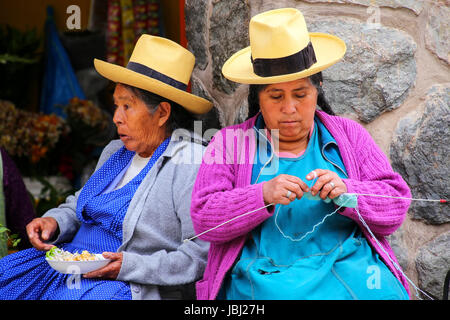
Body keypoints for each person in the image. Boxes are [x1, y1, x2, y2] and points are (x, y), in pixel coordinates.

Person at [190, 8, 411, 300]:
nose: (290, 108)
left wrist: (347, 190)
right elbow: (204, 219)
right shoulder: (229, 143)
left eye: (301, 94)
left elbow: (395, 205)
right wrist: (262, 195)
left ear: (317, 90)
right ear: (258, 97)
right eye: (276, 96)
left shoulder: (349, 135)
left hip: (349, 268)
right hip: (267, 276)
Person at [0, 35, 213, 300]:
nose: (116, 118)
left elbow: (199, 255)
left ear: (162, 113)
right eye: (116, 105)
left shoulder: (188, 162)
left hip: (119, 282)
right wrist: (54, 221)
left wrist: (129, 265)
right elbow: (81, 204)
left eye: (127, 106)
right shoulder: (117, 152)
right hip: (68, 264)